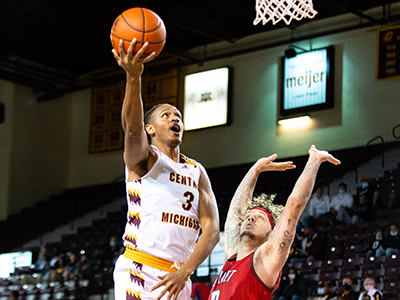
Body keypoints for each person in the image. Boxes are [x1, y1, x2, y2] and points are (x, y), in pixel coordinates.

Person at [111, 39, 220, 300]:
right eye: (166, 115)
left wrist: (186, 271)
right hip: (140, 269)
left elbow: (212, 230)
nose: (175, 118)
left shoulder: (197, 170)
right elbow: (132, 128)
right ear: (151, 129)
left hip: (179, 276)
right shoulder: (146, 160)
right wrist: (133, 78)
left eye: (178, 116)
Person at [209, 145, 340, 299]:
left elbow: (294, 205)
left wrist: (315, 160)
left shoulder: (264, 259)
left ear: (271, 231)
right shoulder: (232, 254)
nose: (251, 218)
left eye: (260, 217)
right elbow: (236, 212)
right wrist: (255, 169)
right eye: (249, 215)